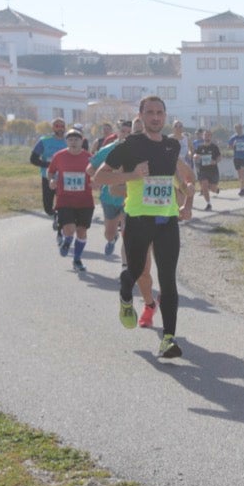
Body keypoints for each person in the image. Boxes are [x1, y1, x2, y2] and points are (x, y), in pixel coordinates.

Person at [94, 96, 194, 358]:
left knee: (168, 280)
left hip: (166, 221)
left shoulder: (172, 146)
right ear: (141, 115)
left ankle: (168, 339)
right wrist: (131, 175)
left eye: (160, 112)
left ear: (165, 115)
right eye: (150, 112)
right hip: (138, 220)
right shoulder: (130, 146)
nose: (155, 117)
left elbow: (179, 179)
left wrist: (186, 197)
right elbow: (99, 178)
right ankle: (126, 294)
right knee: (136, 271)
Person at [90, 117, 158, 326]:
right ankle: (149, 304)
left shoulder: (165, 149)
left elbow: (185, 179)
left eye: (140, 131)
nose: (136, 136)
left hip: (164, 217)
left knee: (166, 270)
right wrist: (135, 183)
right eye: (133, 132)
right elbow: (110, 185)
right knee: (143, 272)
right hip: (135, 212)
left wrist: (185, 200)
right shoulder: (121, 153)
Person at [47, 128, 97, 272]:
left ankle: (77, 260)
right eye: (70, 139)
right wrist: (51, 181)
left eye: (76, 139)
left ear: (82, 141)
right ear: (66, 141)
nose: (73, 142)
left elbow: (97, 174)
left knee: (81, 232)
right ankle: (67, 240)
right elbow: (50, 172)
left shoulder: (89, 158)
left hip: (85, 200)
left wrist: (96, 182)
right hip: (65, 199)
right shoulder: (59, 156)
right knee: (70, 230)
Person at [29, 117, 67, 246]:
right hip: (48, 176)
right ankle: (54, 214)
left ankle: (60, 228)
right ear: (53, 128)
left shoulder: (70, 141)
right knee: (47, 207)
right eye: (57, 126)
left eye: (62, 126)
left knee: (63, 205)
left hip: (65, 179)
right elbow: (33, 159)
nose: (60, 128)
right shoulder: (44, 141)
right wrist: (48, 164)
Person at [192, 129, 222, 210]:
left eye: (208, 135)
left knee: (212, 188)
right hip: (203, 170)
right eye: (205, 135)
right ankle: (208, 204)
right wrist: (195, 156)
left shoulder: (214, 147)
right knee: (204, 185)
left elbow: (219, 157)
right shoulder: (200, 147)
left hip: (213, 171)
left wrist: (215, 161)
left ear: (211, 137)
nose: (206, 136)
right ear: (202, 136)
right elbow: (195, 155)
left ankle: (216, 189)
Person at [227, 123, 244, 196]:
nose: (238, 130)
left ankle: (242, 190)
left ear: (242, 129)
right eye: (237, 128)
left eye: (240, 128)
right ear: (235, 129)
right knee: (239, 175)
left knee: (243, 173)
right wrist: (233, 145)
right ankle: (243, 187)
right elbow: (229, 147)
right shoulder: (233, 138)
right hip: (236, 157)